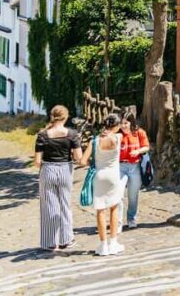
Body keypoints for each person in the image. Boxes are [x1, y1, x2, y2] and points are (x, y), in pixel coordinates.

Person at [34, 105, 82, 251]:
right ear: (66, 117)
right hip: (65, 170)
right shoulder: (72, 134)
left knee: (49, 206)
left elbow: (37, 161)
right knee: (65, 205)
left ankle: (50, 242)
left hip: (48, 169)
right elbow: (78, 157)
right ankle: (66, 239)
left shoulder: (42, 135)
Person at [80, 114, 125, 256]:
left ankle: (103, 245)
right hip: (113, 176)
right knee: (114, 208)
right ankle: (113, 242)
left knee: (100, 210)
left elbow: (82, 161)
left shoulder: (95, 141)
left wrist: (92, 163)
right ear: (116, 126)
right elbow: (118, 135)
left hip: (99, 176)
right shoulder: (118, 138)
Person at [117, 110, 150, 230]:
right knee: (118, 195)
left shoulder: (139, 132)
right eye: (121, 123)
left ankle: (131, 218)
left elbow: (146, 146)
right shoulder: (118, 135)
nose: (123, 126)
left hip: (135, 166)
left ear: (131, 122)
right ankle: (118, 222)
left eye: (126, 123)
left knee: (133, 195)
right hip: (121, 167)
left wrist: (138, 151)